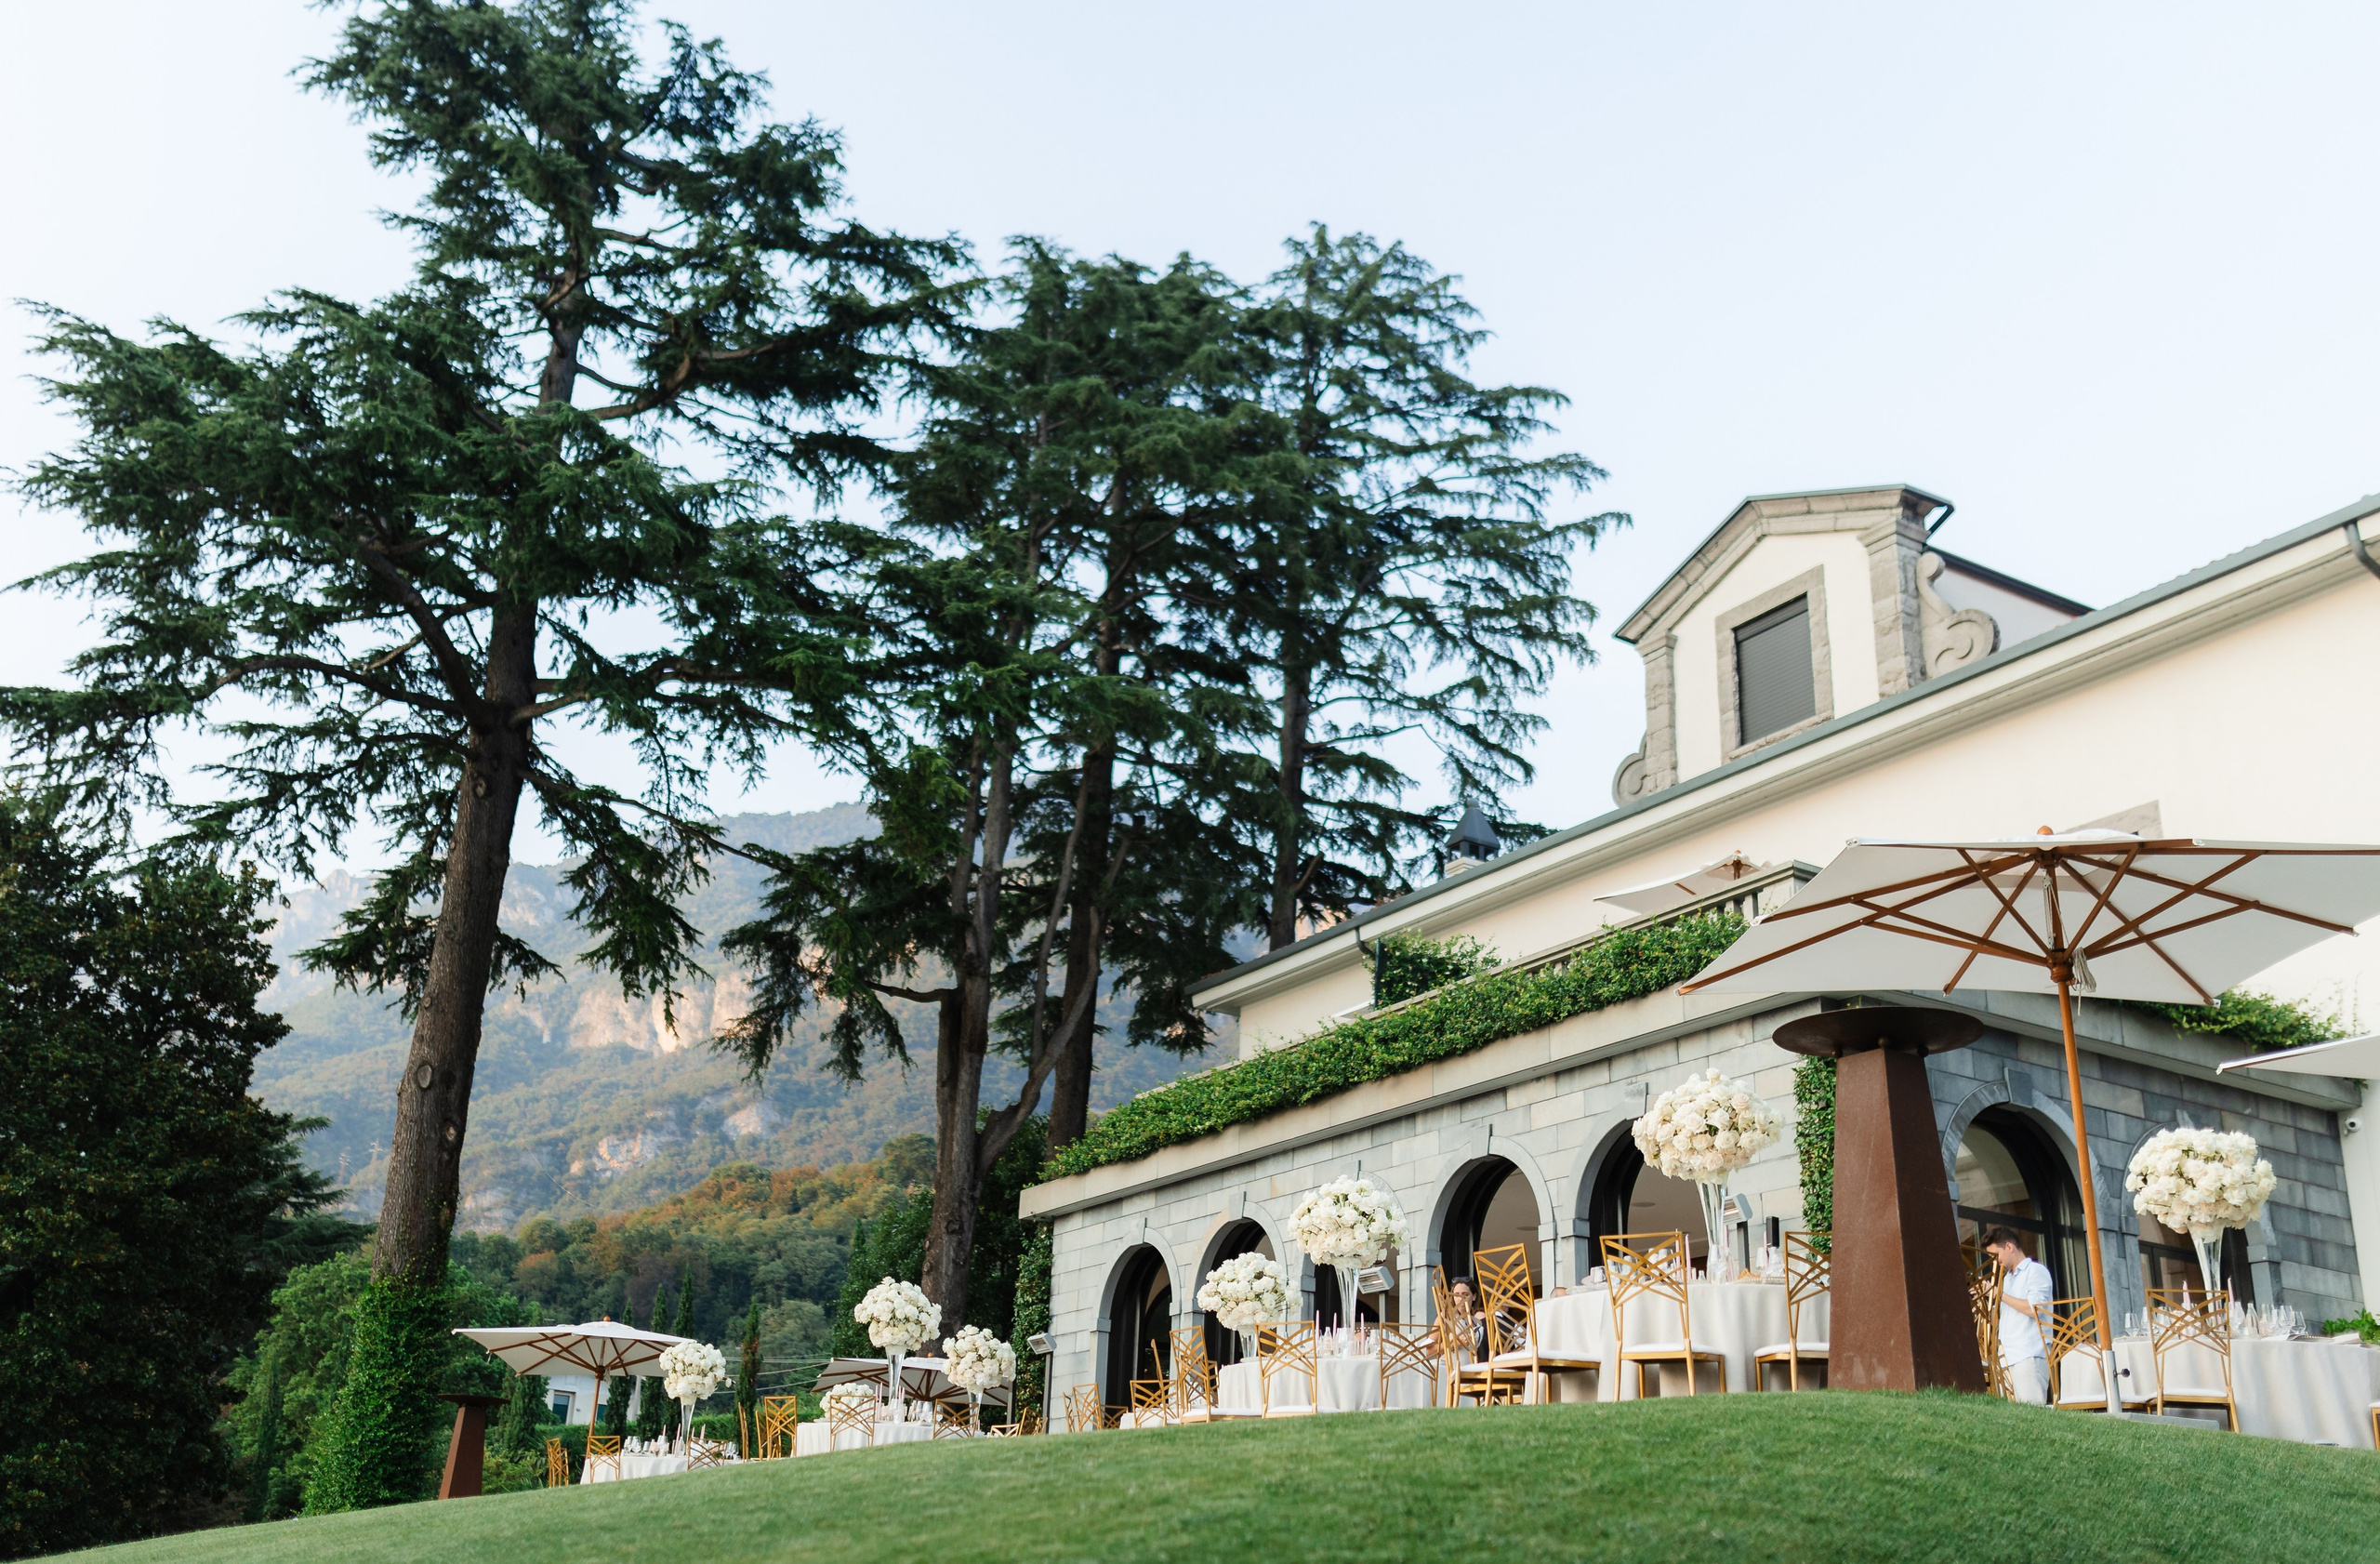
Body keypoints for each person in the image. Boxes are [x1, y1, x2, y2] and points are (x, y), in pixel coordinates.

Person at [1984, 1226, 2055, 1405]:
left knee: (2032, 1412)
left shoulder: (2036, 1271)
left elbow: (2034, 1309)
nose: (1995, 1262)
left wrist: (1999, 1294)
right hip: (2006, 1356)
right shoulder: (2006, 1279)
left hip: (2029, 1353)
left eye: (1996, 1255)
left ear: (2009, 1247)